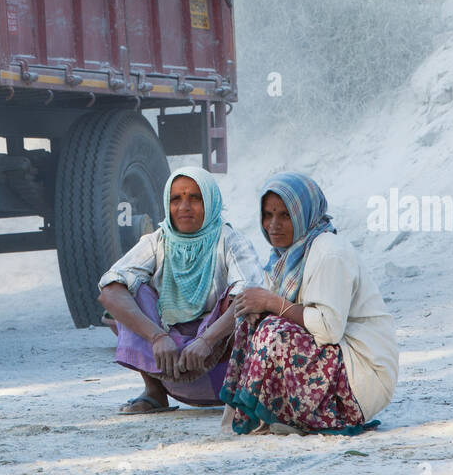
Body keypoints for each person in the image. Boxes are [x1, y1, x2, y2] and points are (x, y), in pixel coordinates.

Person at [221, 171, 398, 436]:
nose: (273, 225)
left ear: (304, 215)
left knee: (273, 332)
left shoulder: (329, 251)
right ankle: (262, 415)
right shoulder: (286, 256)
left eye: (285, 215)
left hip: (362, 374)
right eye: (268, 215)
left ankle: (316, 414)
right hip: (335, 358)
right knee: (251, 319)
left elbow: (328, 329)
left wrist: (271, 302)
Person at [98, 166, 265, 414]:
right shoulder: (157, 241)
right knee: (129, 290)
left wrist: (206, 341)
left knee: (241, 300)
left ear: (210, 201)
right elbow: (109, 291)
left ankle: (239, 393)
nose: (184, 207)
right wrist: (157, 337)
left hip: (220, 366)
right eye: (176, 199)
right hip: (167, 359)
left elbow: (251, 295)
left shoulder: (230, 241)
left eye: (194, 198)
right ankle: (154, 392)